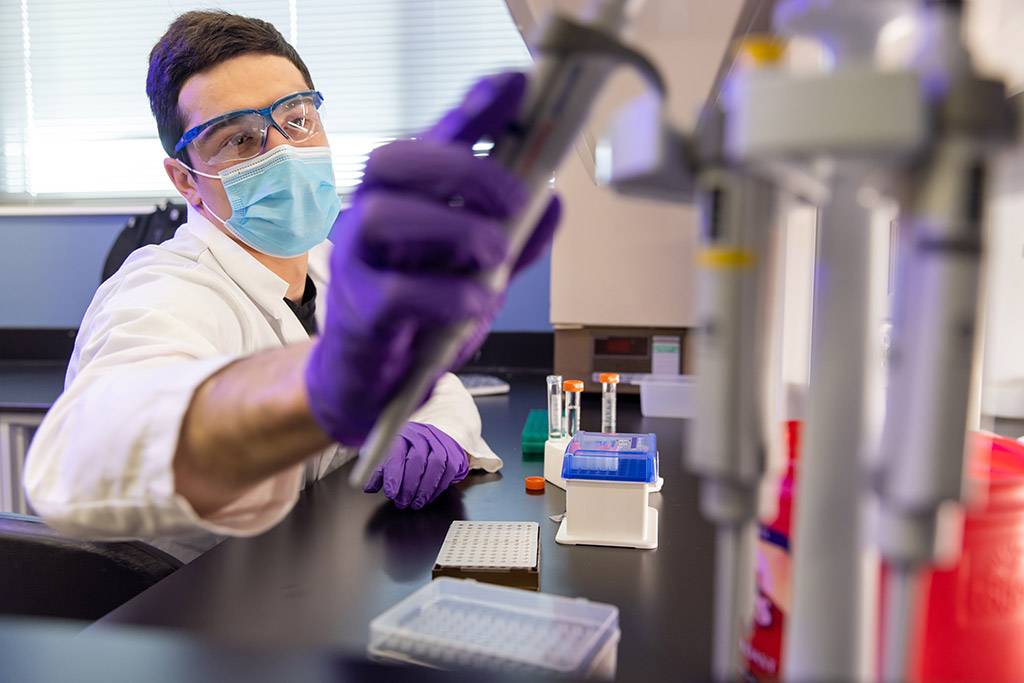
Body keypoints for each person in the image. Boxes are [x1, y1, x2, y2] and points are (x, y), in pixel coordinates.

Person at [23, 11, 559, 560]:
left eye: (297, 119)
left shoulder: (328, 265)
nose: (283, 150)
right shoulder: (161, 287)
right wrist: (324, 384)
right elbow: (88, 451)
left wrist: (437, 428)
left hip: (316, 583)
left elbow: (432, 384)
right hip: (200, 615)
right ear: (187, 180)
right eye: (239, 139)